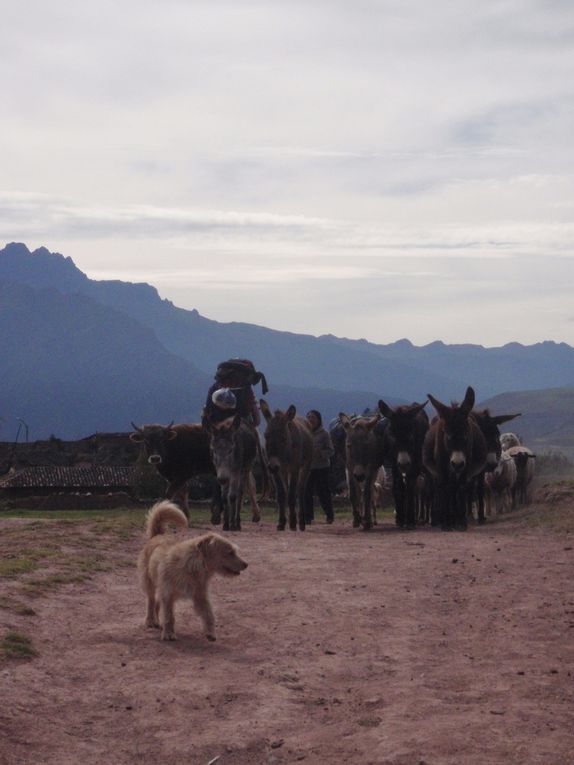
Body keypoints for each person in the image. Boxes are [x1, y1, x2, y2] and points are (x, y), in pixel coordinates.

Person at [203, 359, 268, 426]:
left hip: (215, 424)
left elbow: (207, 411)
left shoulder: (215, 388)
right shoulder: (245, 390)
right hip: (240, 425)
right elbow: (255, 420)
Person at [304, 409, 335, 524]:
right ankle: (308, 517)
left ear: (318, 420)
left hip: (322, 468)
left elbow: (331, 451)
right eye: (309, 417)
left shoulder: (324, 434)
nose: (311, 419)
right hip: (307, 468)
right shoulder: (304, 432)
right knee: (307, 492)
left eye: (313, 417)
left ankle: (329, 515)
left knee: (323, 492)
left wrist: (321, 453)